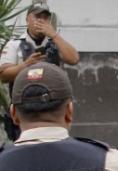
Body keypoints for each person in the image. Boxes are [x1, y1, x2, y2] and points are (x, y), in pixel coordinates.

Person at [0, 2, 80, 142]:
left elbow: (73, 59)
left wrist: (54, 35)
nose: (41, 20)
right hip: (25, 110)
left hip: (52, 109)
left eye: (45, 17)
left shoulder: (55, 42)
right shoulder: (15, 44)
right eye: (37, 16)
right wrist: (24, 66)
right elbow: (3, 75)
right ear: (27, 19)